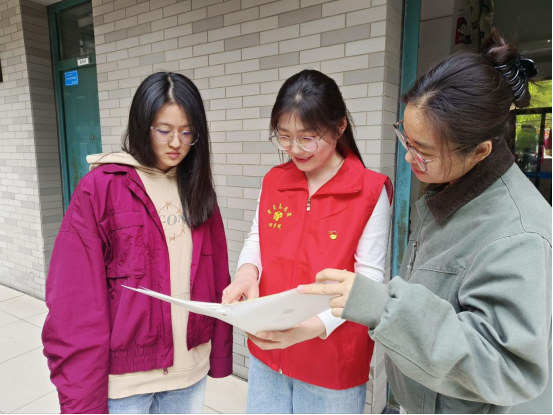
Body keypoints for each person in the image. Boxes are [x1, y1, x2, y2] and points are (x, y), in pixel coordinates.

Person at [300, 31, 552, 414]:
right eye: (406, 139)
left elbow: (508, 366)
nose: (408, 158)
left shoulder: (519, 235)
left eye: (423, 152)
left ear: (480, 151)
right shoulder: (453, 188)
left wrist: (383, 307)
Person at [42, 72, 233, 414]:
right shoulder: (101, 188)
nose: (176, 142)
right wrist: (80, 396)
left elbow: (217, 278)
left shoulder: (198, 190)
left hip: (188, 374)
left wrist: (219, 352)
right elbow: (74, 301)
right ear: (142, 125)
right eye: (164, 130)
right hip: (125, 382)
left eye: (187, 131)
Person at [222, 70, 393, 414]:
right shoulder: (274, 180)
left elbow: (369, 283)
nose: (295, 149)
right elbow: (257, 238)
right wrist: (245, 273)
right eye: (284, 137)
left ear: (340, 126)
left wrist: (309, 330)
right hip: (269, 349)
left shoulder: (371, 191)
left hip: (331, 363)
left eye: (307, 138)